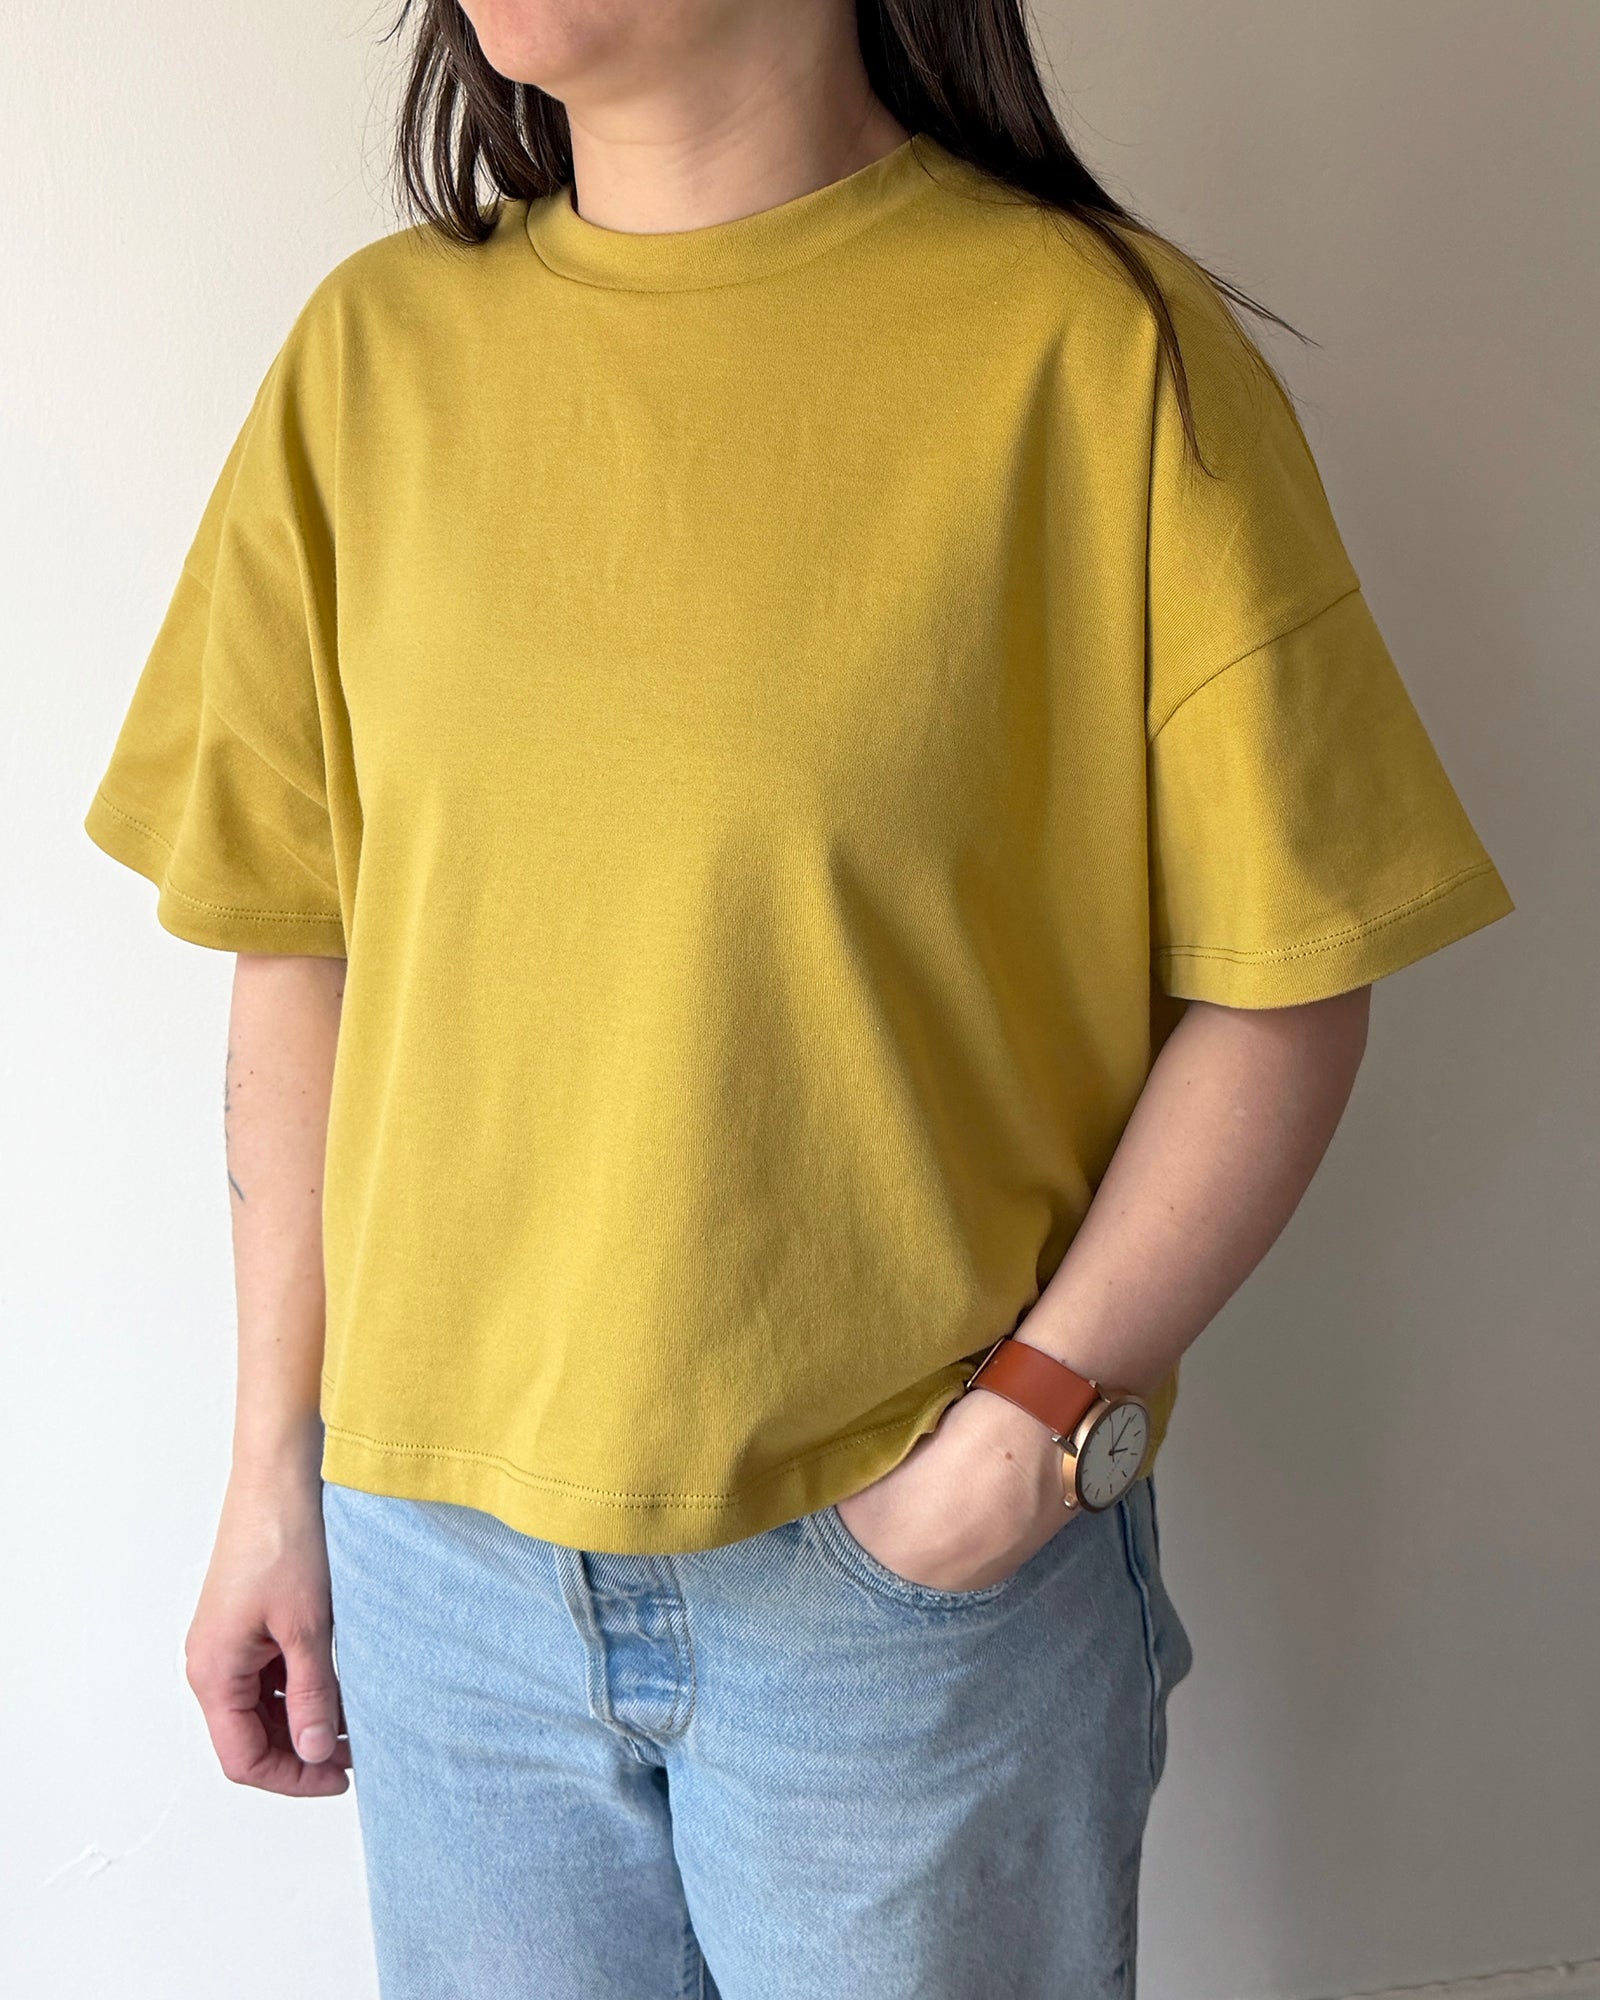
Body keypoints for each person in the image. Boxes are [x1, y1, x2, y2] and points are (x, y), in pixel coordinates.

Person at [82, 2, 1516, 1995]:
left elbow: (1285, 979)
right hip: (440, 1581)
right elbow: (300, 953)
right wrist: (272, 1477)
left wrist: (1023, 1438)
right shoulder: (367, 362)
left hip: (899, 1595)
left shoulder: (1093, 352)